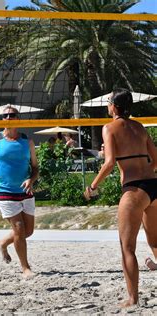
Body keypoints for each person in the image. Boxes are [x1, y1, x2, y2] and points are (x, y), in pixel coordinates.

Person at [84, 88, 157, 308]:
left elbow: (108, 164)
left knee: (127, 248)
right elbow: (156, 159)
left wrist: (93, 186)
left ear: (114, 106)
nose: (107, 105)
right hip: (154, 186)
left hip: (134, 190)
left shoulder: (109, 128)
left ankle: (133, 299)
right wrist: (145, 173)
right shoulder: (139, 127)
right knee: (154, 241)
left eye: (108, 102)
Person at [0, 106, 39, 279]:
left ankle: (2, 243)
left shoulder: (27, 142)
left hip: (25, 190)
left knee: (28, 231)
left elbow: (35, 168)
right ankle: (25, 268)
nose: (9, 117)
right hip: (4, 190)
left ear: (18, 118)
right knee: (19, 229)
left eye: (12, 115)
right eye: (5, 115)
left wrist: (31, 180)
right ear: (2, 119)